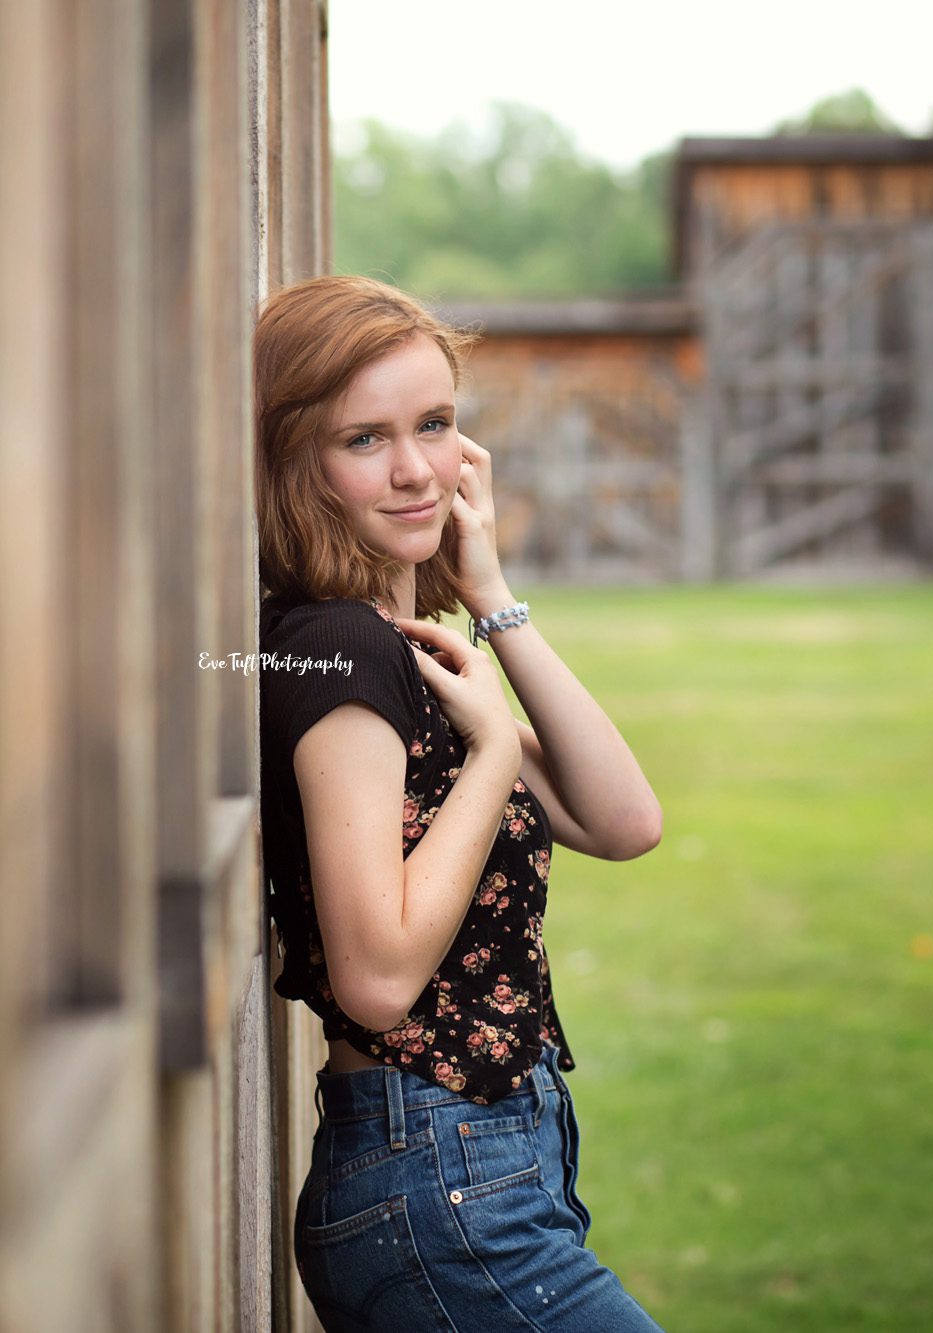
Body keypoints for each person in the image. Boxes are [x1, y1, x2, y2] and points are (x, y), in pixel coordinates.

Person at [255, 274, 666, 1331]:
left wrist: (490, 597)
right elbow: (378, 976)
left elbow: (622, 821)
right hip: (434, 1187)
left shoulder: (402, 648)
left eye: (433, 425)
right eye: (363, 439)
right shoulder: (335, 649)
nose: (413, 471)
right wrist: (488, 750)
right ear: (295, 460)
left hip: (488, 1170)